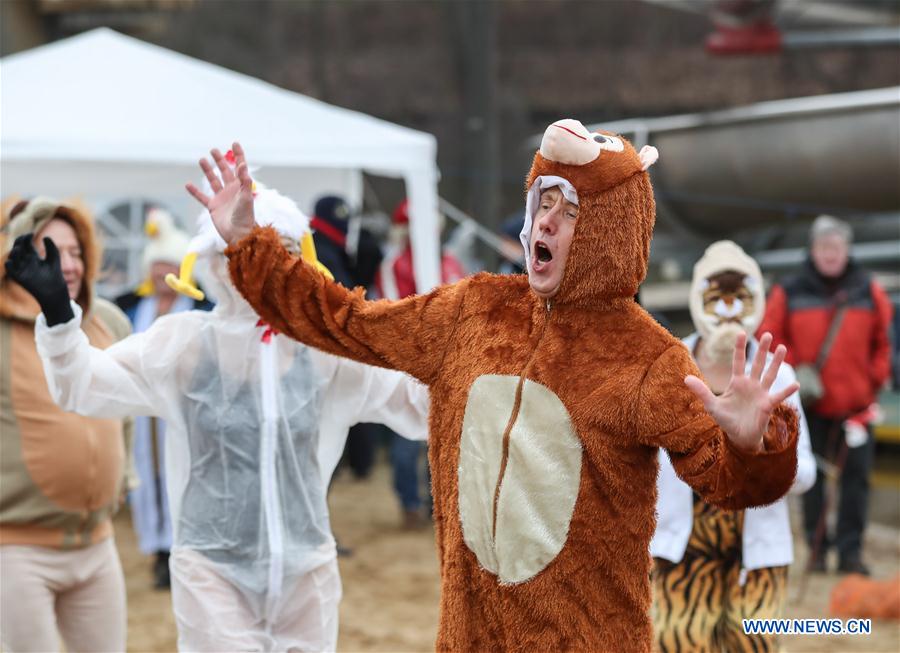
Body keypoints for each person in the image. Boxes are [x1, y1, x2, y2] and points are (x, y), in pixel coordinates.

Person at [199, 125, 800, 653]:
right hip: (471, 637)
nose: (545, 220)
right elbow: (345, 321)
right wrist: (250, 247)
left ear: (609, 229)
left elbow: (723, 481)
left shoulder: (647, 358)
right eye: (543, 201)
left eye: (569, 211)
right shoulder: (472, 311)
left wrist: (754, 446)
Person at [6, 181, 430, 652]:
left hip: (305, 573)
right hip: (211, 574)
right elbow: (82, 386)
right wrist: (60, 319)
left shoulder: (324, 352)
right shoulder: (184, 345)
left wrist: (464, 354)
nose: (262, 262)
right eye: (242, 248)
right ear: (214, 260)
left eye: (278, 248)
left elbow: (416, 403)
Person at [651, 240, 816, 653]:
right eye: (716, 296)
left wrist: (762, 447)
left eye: (738, 296)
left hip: (757, 556)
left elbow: (807, 474)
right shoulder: (668, 368)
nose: (727, 308)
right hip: (679, 552)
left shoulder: (777, 375)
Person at [1, 198, 133, 653]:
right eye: (52, 252)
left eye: (76, 252)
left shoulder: (107, 323)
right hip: (15, 549)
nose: (68, 265)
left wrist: (125, 475)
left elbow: (126, 409)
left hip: (96, 546)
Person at [760, 214, 894, 575]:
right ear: (813, 250)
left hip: (857, 407)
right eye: (823, 247)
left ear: (846, 250)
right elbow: (768, 337)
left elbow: (886, 340)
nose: (830, 254)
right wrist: (793, 372)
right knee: (810, 479)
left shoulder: (868, 289)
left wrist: (876, 378)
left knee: (855, 484)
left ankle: (850, 552)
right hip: (809, 405)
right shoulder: (788, 290)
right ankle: (817, 549)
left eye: (836, 247)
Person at [115, 207, 213, 590]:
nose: (162, 274)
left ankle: (186, 551)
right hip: (142, 414)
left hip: (187, 410)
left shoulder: (202, 308)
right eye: (156, 266)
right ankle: (159, 552)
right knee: (149, 476)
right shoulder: (131, 307)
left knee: (186, 474)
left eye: (169, 266)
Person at [375, 199, 465, 528]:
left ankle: (437, 505)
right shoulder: (395, 265)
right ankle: (409, 504)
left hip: (449, 363)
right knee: (406, 437)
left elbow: (462, 304)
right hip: (410, 363)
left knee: (445, 438)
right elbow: (392, 311)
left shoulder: (450, 261)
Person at [311, 194, 384, 480]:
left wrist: (367, 257)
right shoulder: (320, 248)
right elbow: (343, 294)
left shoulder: (332, 247)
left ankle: (356, 462)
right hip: (325, 345)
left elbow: (353, 287)